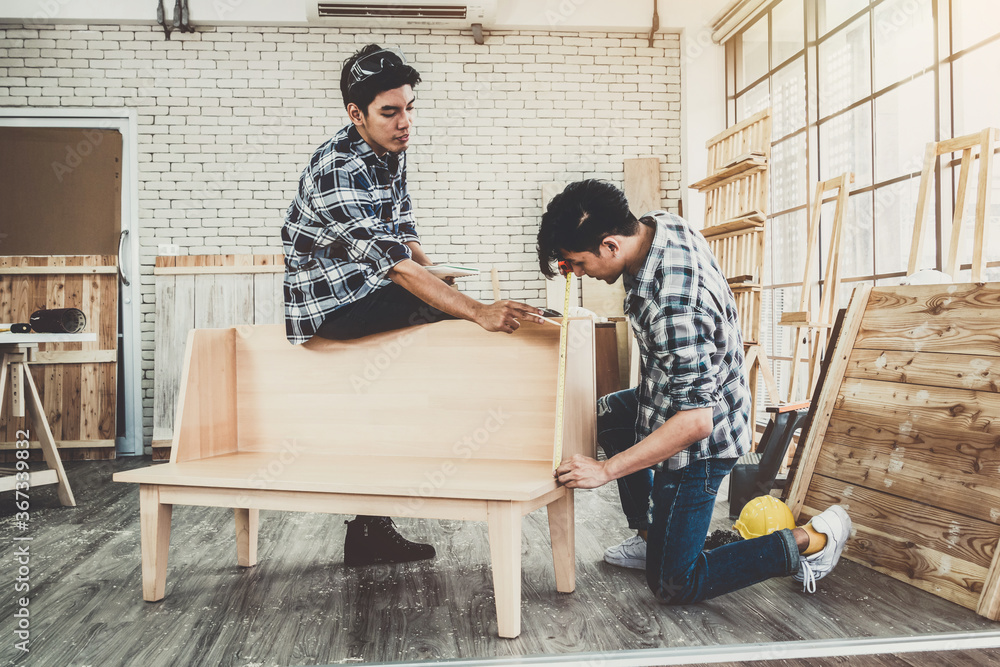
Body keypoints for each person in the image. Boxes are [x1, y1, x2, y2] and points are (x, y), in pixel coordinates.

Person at [281, 44, 541, 567]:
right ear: (356, 115)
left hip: (369, 286)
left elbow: (403, 239)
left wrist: (436, 272)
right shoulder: (337, 167)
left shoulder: (389, 152)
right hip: (328, 304)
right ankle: (488, 448)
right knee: (455, 318)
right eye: (390, 112)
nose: (405, 122)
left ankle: (370, 529)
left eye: (410, 107)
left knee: (409, 362)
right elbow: (394, 266)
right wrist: (475, 309)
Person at [536, 179, 851, 603]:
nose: (575, 273)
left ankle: (812, 540)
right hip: (669, 400)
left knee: (674, 583)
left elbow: (696, 422)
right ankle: (653, 537)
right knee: (608, 413)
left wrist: (605, 471)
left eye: (576, 263)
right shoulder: (658, 227)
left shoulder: (673, 305)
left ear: (610, 246)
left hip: (702, 438)